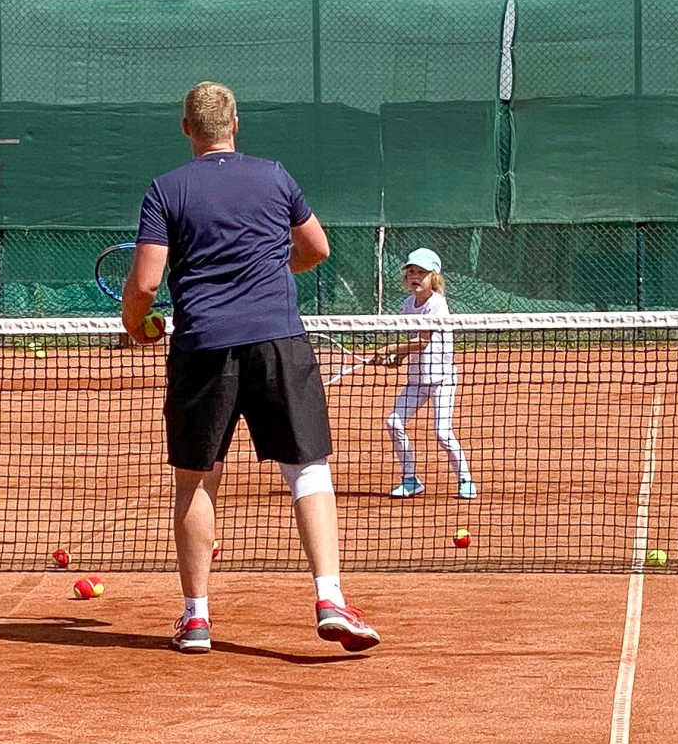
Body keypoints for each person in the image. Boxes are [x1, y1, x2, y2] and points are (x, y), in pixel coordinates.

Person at [121, 81, 380, 656]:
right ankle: (330, 598)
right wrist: (271, 267)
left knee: (196, 478)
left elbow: (145, 285)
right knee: (308, 471)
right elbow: (316, 249)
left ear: (186, 128)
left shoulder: (166, 189)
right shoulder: (274, 176)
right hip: (278, 343)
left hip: (202, 348)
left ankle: (195, 619)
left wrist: (134, 324)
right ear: (236, 124)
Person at [377, 249, 477, 500]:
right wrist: (398, 358)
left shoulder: (436, 304)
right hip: (417, 380)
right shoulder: (407, 305)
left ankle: (465, 479)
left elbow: (422, 341)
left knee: (442, 433)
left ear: (434, 276)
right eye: (411, 272)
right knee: (393, 422)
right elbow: (411, 341)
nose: (415, 276)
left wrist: (392, 349)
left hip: (442, 379)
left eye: (421, 272)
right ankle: (410, 480)